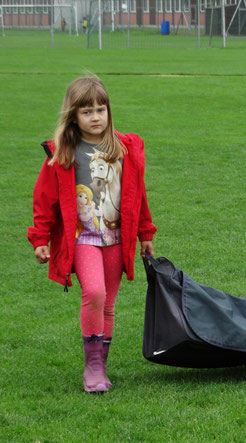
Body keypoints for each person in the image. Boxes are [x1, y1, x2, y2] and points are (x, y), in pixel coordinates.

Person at [28, 75, 157, 393]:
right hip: (82, 237)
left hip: (116, 237)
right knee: (95, 293)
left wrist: (144, 232)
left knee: (109, 303)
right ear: (73, 115)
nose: (96, 117)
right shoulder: (62, 154)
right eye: (87, 112)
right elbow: (44, 199)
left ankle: (102, 365)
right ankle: (93, 366)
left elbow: (136, 195)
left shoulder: (125, 149)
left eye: (101, 109)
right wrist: (40, 238)